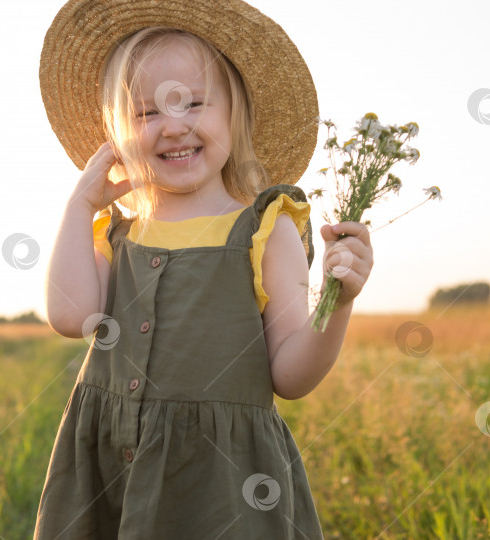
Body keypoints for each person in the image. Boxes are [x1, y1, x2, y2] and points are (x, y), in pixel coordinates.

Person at [36, 0, 373, 538]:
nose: (173, 127)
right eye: (146, 113)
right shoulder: (116, 231)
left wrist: (340, 302)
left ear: (234, 114)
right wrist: (80, 207)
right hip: (109, 473)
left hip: (223, 485)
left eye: (193, 103)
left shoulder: (265, 228)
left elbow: (291, 375)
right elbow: (70, 314)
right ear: (116, 131)